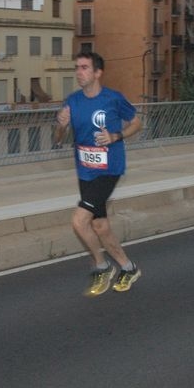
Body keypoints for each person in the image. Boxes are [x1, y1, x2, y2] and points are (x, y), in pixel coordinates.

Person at [53, 51, 143, 296]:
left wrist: (116, 136)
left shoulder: (112, 99)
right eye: (77, 68)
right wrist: (60, 126)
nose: (79, 72)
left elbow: (136, 122)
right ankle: (128, 267)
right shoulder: (72, 101)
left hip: (109, 169)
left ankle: (102, 266)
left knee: (79, 221)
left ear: (97, 73)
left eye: (84, 68)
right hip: (85, 171)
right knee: (100, 225)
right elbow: (57, 140)